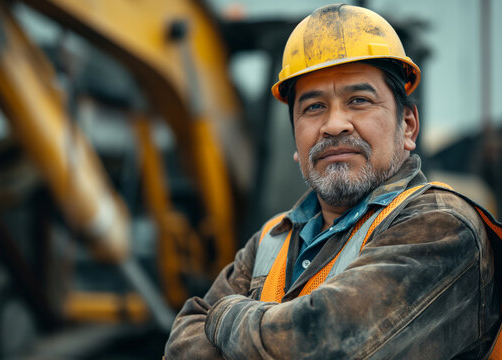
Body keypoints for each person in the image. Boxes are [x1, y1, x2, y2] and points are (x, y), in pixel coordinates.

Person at [164, 4, 502, 359]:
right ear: (295, 139)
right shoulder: (270, 241)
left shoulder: (441, 225)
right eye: (313, 107)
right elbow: (181, 345)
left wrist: (222, 317)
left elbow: (320, 346)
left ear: (408, 126)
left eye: (358, 100)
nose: (334, 124)